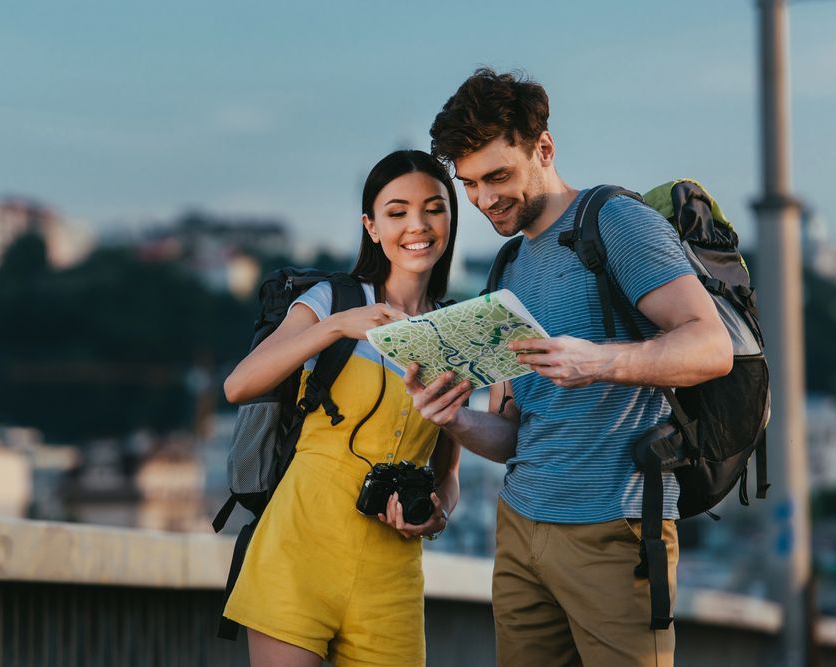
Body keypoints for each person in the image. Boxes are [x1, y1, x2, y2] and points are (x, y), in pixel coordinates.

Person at [405, 69, 734, 667]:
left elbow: (711, 347)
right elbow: (511, 435)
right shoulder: (506, 268)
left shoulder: (616, 224)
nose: (484, 199)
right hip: (519, 528)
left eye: (498, 176)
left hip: (615, 531)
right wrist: (453, 420)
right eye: (470, 183)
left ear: (545, 149)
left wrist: (597, 361)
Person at [222, 149, 462, 667]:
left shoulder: (454, 337)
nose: (417, 225)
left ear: (450, 219)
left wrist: (437, 514)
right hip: (296, 553)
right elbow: (238, 385)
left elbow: (448, 473)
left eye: (434, 208)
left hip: (391, 579)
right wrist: (335, 326)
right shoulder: (332, 298)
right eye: (397, 212)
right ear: (371, 227)